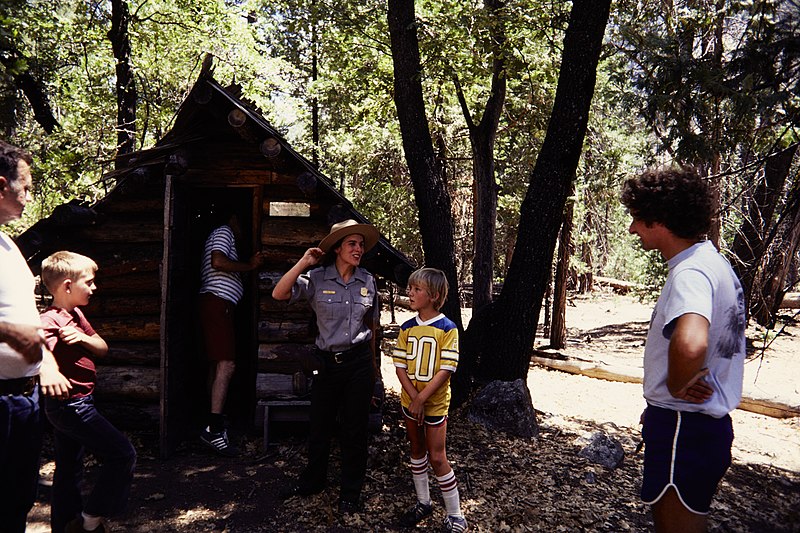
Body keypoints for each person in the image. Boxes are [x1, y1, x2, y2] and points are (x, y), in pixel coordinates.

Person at [621, 167, 746, 533]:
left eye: (637, 220)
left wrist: (675, 388)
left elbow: (692, 340)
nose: (632, 229)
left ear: (659, 220)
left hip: (685, 426)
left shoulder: (691, 272)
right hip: (697, 426)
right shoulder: (712, 263)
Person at [272, 219, 380, 514]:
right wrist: (303, 262)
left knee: (354, 430)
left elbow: (371, 328)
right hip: (327, 367)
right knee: (319, 426)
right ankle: (313, 481)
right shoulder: (316, 278)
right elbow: (279, 293)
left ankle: (350, 492)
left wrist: (374, 372)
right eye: (352, 244)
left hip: (358, 365)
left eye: (360, 244)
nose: (358, 249)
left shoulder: (368, 281)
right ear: (337, 249)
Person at [0, 139, 71, 532]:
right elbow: (13, 325)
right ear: (1, 185)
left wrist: (45, 362)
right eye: (25, 186)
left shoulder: (7, 243)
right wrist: (10, 333)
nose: (30, 195)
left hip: (22, 395)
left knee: (17, 500)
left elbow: (25, 314)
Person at [40, 251, 137, 533]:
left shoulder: (76, 314)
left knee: (69, 470)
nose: (94, 288)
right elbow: (37, 347)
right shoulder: (49, 321)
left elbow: (102, 347)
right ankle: (91, 520)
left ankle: (65, 526)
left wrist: (82, 338)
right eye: (90, 282)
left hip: (82, 401)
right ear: (68, 286)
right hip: (69, 406)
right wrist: (50, 365)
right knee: (122, 454)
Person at [392, 268, 467, 533]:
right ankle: (423, 502)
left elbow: (447, 369)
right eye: (410, 288)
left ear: (434, 296)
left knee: (437, 457)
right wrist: (414, 399)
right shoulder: (406, 328)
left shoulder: (448, 329)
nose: (410, 293)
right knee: (416, 451)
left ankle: (456, 515)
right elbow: (400, 365)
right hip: (410, 403)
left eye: (417, 289)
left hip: (434, 404)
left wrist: (423, 399)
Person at [198, 211, 265, 456]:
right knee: (227, 365)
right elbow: (218, 261)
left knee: (217, 365)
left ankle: (212, 420)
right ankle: (214, 429)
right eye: (240, 223)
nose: (241, 230)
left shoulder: (224, 236)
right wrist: (250, 266)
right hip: (218, 303)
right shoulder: (223, 232)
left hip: (219, 304)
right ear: (233, 219)